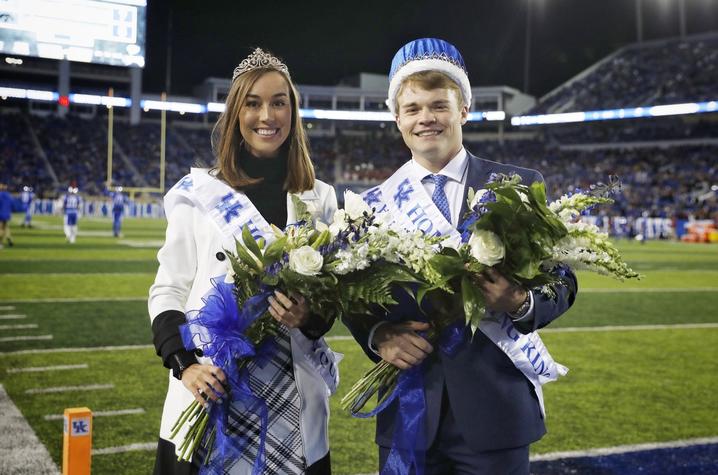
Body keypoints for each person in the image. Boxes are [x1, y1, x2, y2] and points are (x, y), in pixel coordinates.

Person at [344, 38, 578, 475]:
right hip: (408, 409)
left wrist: (519, 301)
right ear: (397, 118)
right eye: (412, 108)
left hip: (496, 413)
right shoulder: (369, 205)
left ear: (463, 110)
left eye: (439, 105)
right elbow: (352, 298)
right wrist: (378, 335)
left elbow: (562, 281)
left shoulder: (520, 186)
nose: (426, 118)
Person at [148, 48, 338, 475]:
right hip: (211, 385)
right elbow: (168, 290)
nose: (266, 115)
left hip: (292, 391)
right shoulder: (198, 194)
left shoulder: (320, 197)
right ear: (236, 113)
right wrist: (186, 365)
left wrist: (307, 314)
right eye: (252, 103)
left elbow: (329, 303)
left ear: (293, 112)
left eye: (278, 102)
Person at [0, 183, 13, 248]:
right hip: (7, 214)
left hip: (0, 214)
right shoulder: (9, 195)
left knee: (1, 229)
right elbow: (12, 204)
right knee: (6, 227)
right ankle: (9, 238)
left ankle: (1, 243)